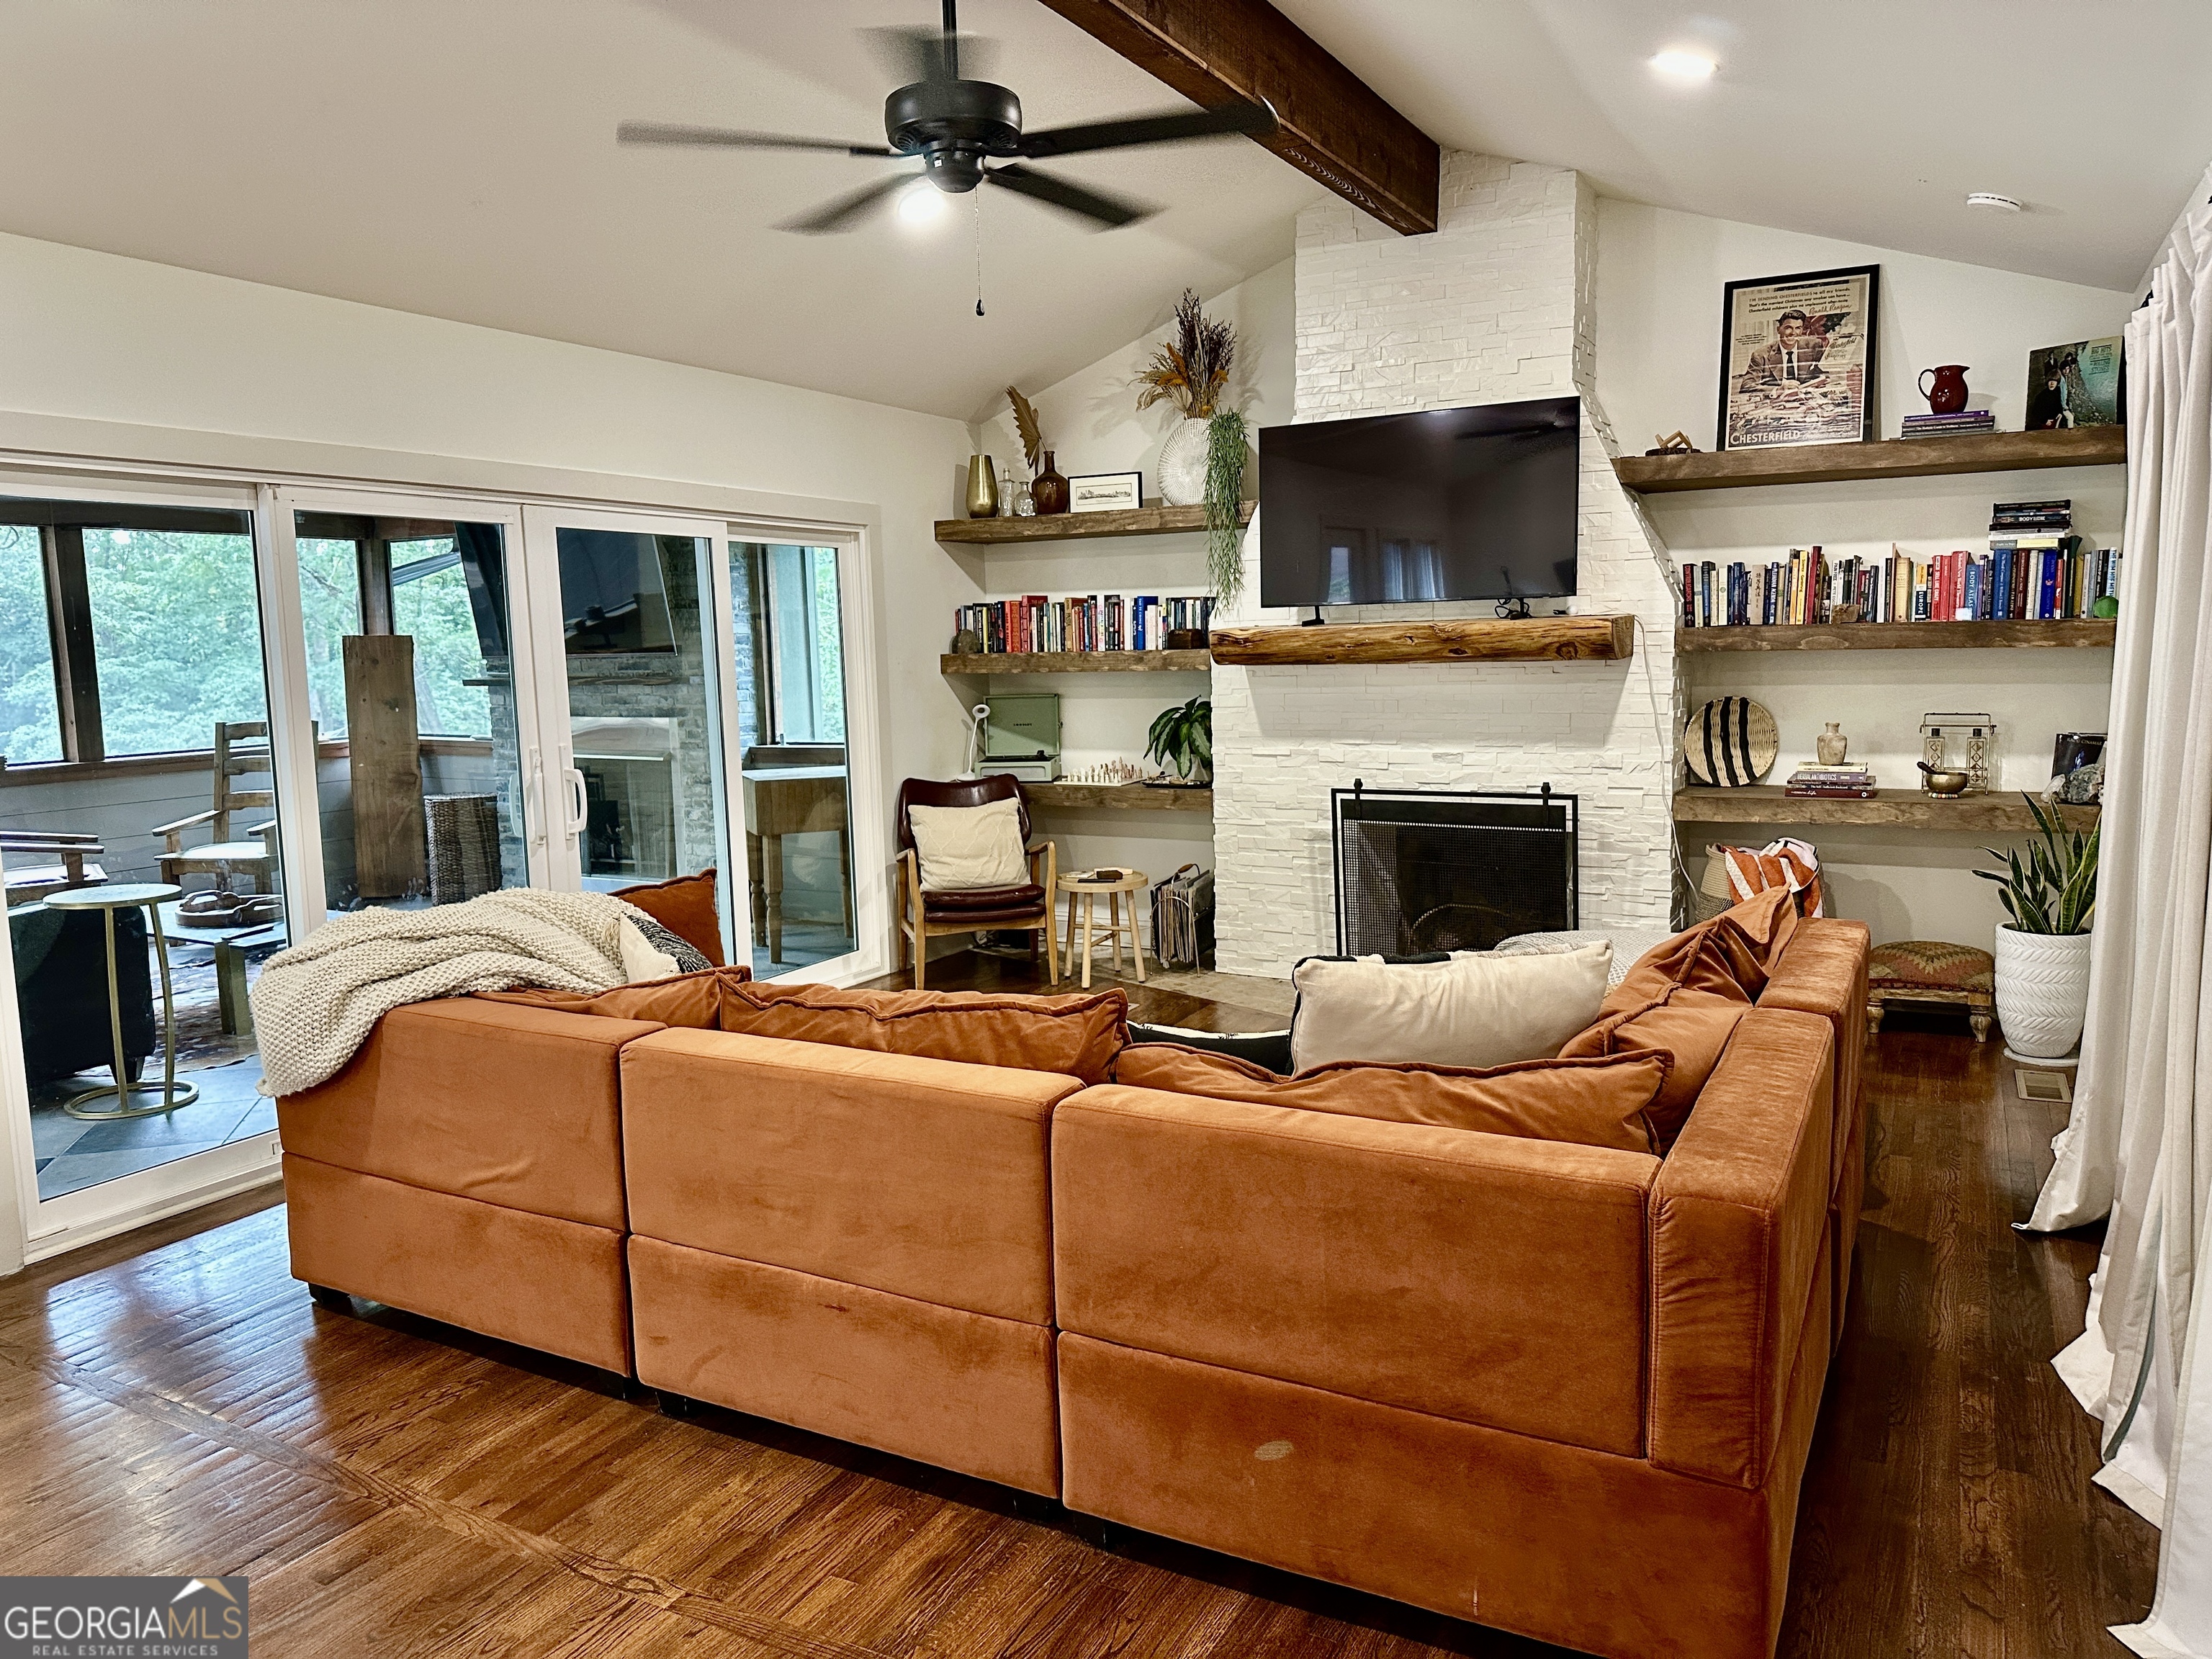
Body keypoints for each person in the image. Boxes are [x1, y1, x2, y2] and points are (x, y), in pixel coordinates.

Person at [1740, 309, 1827, 391]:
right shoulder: (1761, 355)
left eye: (1798, 328)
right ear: (1779, 330)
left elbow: (1821, 371)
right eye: (1788, 328)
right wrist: (1778, 390)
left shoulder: (1815, 346)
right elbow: (1747, 386)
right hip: (1775, 401)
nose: (1793, 333)